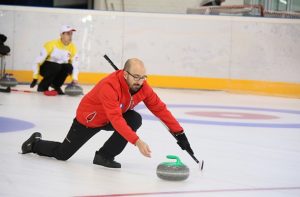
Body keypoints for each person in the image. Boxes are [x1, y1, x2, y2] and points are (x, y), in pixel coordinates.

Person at [21, 58, 195, 168]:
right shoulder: (109, 86)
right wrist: (137, 141)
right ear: (125, 74)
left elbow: (160, 109)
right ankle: (34, 144)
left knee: (134, 118)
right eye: (136, 76)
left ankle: (104, 156)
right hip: (89, 119)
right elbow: (116, 119)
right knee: (62, 154)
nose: (140, 81)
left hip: (110, 118)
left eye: (143, 77)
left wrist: (180, 134)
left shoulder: (142, 86)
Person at [30, 25, 79, 95]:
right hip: (45, 68)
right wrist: (35, 77)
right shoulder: (51, 44)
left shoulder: (73, 47)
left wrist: (74, 78)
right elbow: (37, 61)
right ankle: (43, 86)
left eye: (71, 34)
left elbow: (75, 65)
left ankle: (56, 85)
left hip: (58, 68)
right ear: (61, 35)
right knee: (56, 66)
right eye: (68, 34)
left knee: (68, 67)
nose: (70, 36)